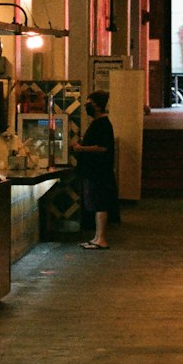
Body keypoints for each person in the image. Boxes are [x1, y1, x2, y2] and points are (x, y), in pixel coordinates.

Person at [72, 90, 118, 250]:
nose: (86, 106)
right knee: (95, 203)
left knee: (99, 204)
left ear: (97, 106)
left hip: (98, 171)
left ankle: (101, 239)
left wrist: (82, 149)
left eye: (89, 103)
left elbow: (102, 148)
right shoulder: (99, 123)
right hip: (94, 170)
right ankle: (97, 237)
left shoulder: (103, 124)